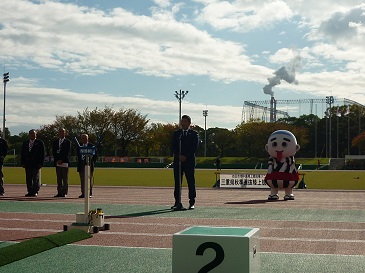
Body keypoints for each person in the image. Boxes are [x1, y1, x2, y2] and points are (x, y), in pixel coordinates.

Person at [171, 115, 199, 210]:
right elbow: (173, 146)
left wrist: (185, 156)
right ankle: (177, 202)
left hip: (189, 161)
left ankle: (192, 202)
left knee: (191, 182)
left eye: (185, 121)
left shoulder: (194, 134)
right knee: (177, 183)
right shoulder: (177, 133)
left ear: (189, 123)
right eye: (182, 121)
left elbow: (194, 147)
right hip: (178, 162)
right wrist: (179, 156)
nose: (183, 123)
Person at [21, 129, 45, 197]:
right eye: (31, 134)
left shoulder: (40, 143)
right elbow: (23, 153)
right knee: (28, 178)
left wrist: (41, 163)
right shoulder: (25, 143)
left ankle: (35, 191)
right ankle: (29, 191)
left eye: (33, 134)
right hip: (28, 164)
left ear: (36, 135)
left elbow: (42, 154)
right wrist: (22, 162)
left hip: (36, 164)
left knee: (35, 178)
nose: (32, 135)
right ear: (29, 135)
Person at [52, 128, 71, 197]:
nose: (61, 133)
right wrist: (57, 160)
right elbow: (54, 152)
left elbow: (67, 152)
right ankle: (59, 192)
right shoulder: (56, 142)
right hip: (57, 162)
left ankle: (64, 192)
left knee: (65, 178)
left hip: (65, 162)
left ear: (65, 133)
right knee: (59, 178)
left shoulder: (68, 142)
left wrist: (62, 160)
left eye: (63, 132)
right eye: (60, 132)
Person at [77, 134, 97, 198]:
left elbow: (95, 156)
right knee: (82, 180)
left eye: (85, 138)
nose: (84, 139)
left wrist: (92, 163)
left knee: (89, 180)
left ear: (88, 138)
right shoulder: (79, 146)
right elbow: (78, 155)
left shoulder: (92, 146)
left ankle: (89, 193)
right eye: (82, 138)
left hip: (89, 165)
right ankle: (83, 193)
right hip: (81, 165)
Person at [0, 129, 8, 196]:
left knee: (0, 176)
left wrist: (2, 157)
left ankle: (1, 190)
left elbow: (5, 151)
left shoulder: (3, 142)